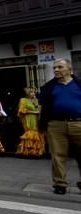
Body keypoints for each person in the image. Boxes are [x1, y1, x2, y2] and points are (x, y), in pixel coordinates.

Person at [38, 58, 81, 195]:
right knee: (58, 155)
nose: (56, 70)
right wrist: (43, 125)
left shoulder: (79, 84)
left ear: (69, 69)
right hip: (56, 125)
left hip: (78, 123)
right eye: (55, 68)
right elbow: (41, 108)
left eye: (60, 67)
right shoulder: (49, 87)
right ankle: (60, 184)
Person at [16, 87, 45, 157]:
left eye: (34, 92)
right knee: (30, 132)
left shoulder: (36, 100)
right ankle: (27, 151)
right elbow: (21, 110)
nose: (33, 93)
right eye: (31, 92)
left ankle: (36, 151)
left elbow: (39, 108)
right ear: (28, 93)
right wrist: (34, 112)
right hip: (28, 118)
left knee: (37, 132)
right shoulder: (23, 100)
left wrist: (36, 103)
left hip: (36, 118)